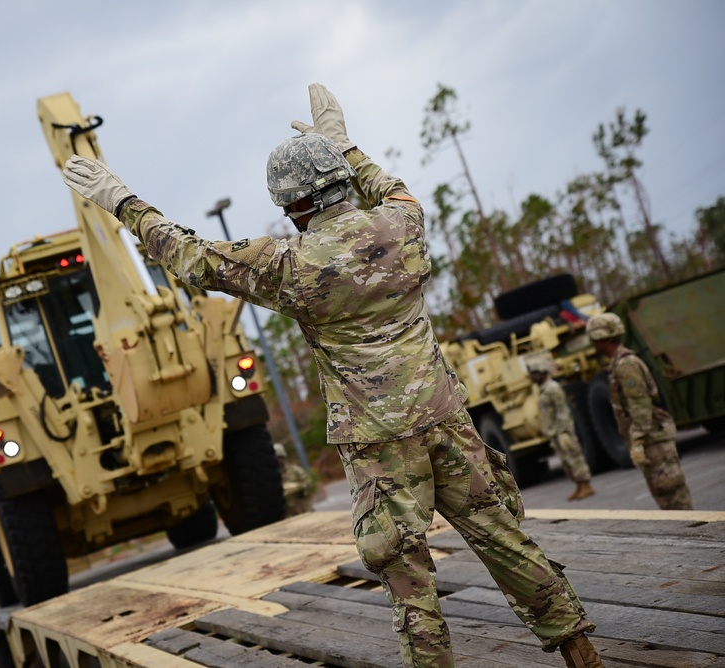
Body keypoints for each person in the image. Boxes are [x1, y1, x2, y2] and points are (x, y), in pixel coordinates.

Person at [62, 83, 603, 667]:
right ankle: (580, 651)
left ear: (293, 207)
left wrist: (122, 202)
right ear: (341, 183)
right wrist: (346, 146)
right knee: (504, 537)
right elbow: (392, 190)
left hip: (378, 445)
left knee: (409, 578)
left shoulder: (290, 266)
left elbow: (191, 257)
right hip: (447, 419)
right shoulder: (404, 226)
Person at [586, 312, 693, 510]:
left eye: (593, 337)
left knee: (673, 494)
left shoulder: (627, 365)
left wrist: (637, 441)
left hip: (653, 438)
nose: (592, 342)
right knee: (664, 495)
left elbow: (640, 405)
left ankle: (696, 535)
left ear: (603, 338)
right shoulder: (619, 363)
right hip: (650, 438)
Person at [527, 357, 595, 501]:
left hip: (562, 431)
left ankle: (586, 486)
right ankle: (578, 486)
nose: (531, 377)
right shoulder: (543, 390)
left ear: (541, 373)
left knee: (574, 457)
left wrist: (563, 431)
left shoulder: (553, 388)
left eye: (533, 373)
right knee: (566, 460)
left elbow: (562, 411)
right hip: (555, 432)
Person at [275, 443, 317, 516]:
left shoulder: (295, 470)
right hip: (287, 512)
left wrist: (297, 487)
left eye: (280, 457)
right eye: (276, 458)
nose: (278, 460)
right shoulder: (271, 476)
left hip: (302, 507)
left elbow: (308, 483)